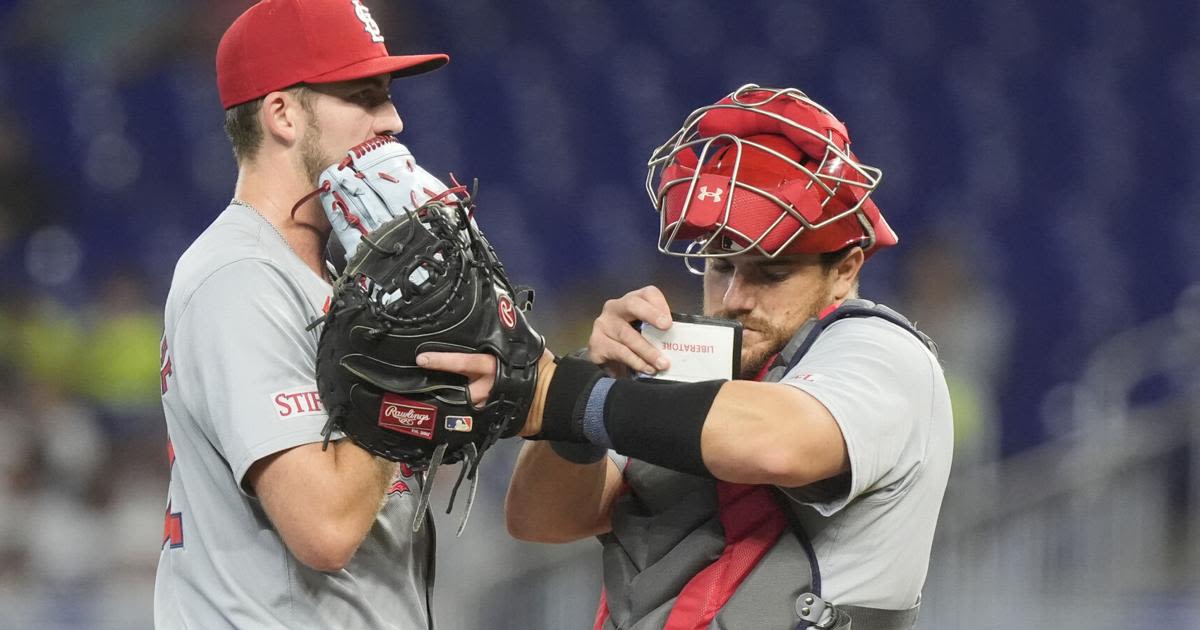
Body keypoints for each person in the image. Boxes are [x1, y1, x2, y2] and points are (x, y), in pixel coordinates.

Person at [419, 85, 954, 628]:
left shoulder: (881, 349)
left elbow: (779, 446)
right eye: (721, 266)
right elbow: (543, 518)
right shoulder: (684, 362)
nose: (734, 298)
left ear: (844, 269)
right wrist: (589, 376)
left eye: (771, 273)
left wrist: (563, 396)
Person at [154, 1, 449, 628]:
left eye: (388, 95)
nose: (392, 120)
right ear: (283, 113)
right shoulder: (237, 278)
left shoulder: (347, 266)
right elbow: (325, 528)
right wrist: (401, 355)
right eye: (364, 95)